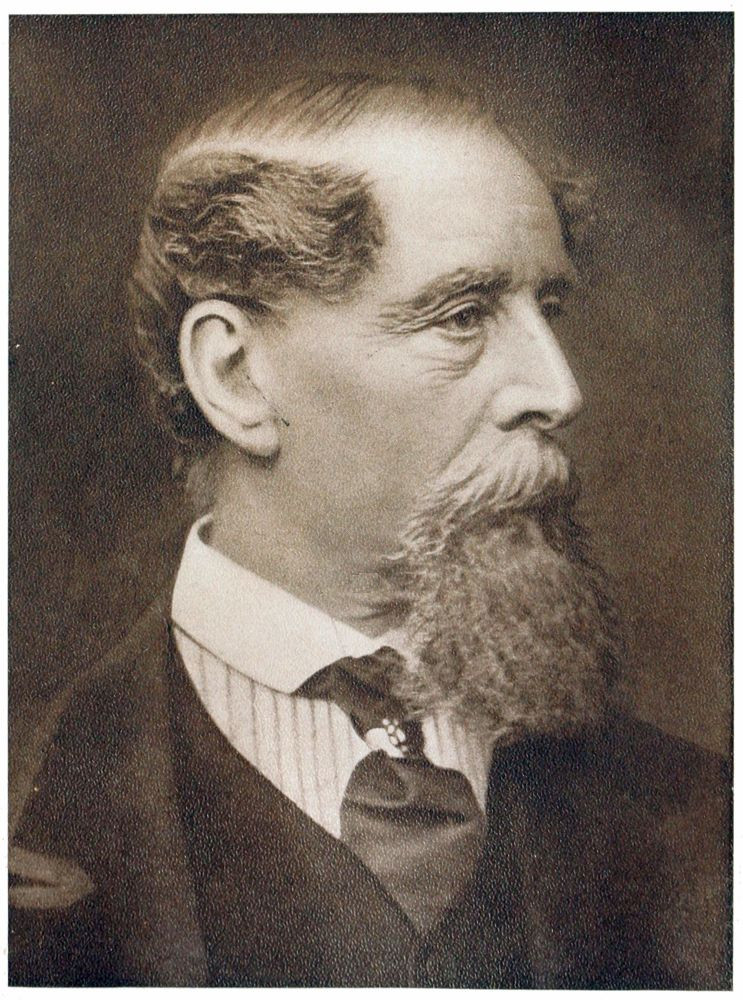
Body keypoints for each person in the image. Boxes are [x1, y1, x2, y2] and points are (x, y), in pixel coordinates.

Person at [8, 74, 730, 987]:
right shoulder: (32, 797)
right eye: (462, 317)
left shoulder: (702, 817)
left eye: (546, 310)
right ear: (236, 376)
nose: (559, 391)